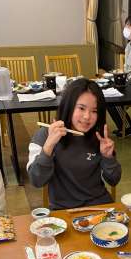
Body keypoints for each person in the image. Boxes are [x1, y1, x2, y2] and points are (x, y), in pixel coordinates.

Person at [27, 78, 121, 209]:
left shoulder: (98, 136)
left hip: (99, 205)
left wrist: (108, 158)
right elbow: (36, 181)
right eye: (81, 108)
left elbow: (114, 180)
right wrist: (48, 146)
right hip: (63, 210)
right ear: (69, 106)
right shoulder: (45, 135)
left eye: (94, 111)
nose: (87, 116)